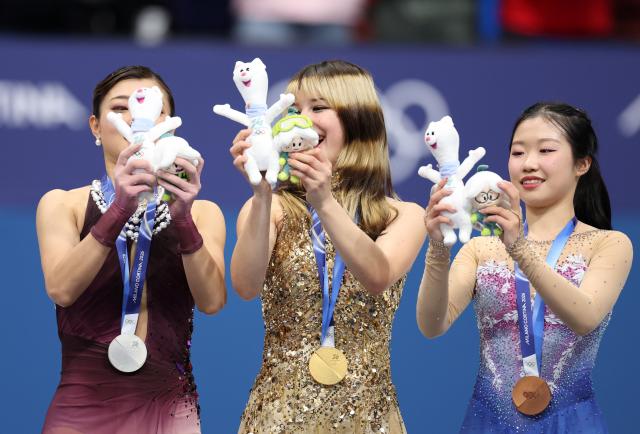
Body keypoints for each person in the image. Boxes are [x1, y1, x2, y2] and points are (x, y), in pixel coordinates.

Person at [229, 60, 426, 433]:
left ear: (357, 119)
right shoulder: (271, 208)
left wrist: (325, 202)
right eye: (294, 109)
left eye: (318, 107)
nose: (301, 120)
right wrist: (261, 192)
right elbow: (245, 285)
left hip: (369, 419)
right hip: (277, 418)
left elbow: (377, 275)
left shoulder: (402, 215)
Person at [417, 102, 633, 432]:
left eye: (546, 150)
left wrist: (518, 248)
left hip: (571, 423)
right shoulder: (482, 248)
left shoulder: (609, 244)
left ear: (582, 163)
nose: (529, 163)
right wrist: (437, 246)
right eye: (518, 153)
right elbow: (432, 325)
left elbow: (585, 317)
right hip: (486, 423)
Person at [37, 65, 226, 434]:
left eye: (150, 108)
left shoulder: (203, 212)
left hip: (170, 408)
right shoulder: (63, 205)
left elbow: (212, 301)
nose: (135, 117)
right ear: (95, 126)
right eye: (121, 107)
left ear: (169, 124)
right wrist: (119, 209)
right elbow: (61, 288)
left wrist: (184, 221)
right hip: (82, 405)